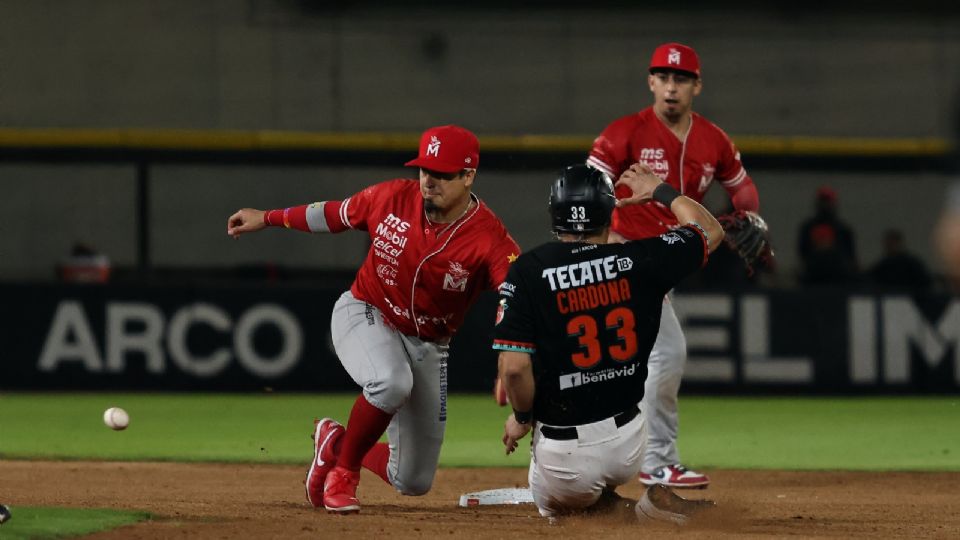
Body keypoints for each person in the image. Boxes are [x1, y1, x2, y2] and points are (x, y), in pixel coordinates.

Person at [227, 125, 520, 514]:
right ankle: (343, 475)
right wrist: (267, 217)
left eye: (442, 174)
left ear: (469, 176)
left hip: (429, 343)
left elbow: (517, 296)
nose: (428, 181)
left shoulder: (490, 238)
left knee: (412, 480)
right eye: (424, 170)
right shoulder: (392, 197)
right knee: (390, 381)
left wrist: (512, 355)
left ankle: (333, 444)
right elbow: (332, 214)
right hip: (366, 312)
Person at [494, 163, 721, 521]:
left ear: (555, 213)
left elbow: (514, 368)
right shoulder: (643, 258)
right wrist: (660, 190)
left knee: (552, 505)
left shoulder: (527, 270)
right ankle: (631, 500)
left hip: (565, 459)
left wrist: (522, 418)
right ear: (610, 211)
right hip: (630, 444)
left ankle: (625, 512)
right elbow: (709, 229)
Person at [586, 42, 761, 488]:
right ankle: (655, 461)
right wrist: (599, 239)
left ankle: (591, 452)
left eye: (681, 78)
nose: (671, 86)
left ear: (696, 86)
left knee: (621, 359)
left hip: (669, 259)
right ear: (650, 82)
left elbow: (742, 191)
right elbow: (588, 186)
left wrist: (750, 216)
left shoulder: (713, 139)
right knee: (667, 352)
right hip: (625, 252)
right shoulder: (624, 132)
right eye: (663, 77)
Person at [797, 185, 858, 286]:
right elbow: (802, 253)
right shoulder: (808, 228)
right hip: (813, 278)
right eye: (823, 201)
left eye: (828, 201)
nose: (825, 204)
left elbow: (850, 257)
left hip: (839, 279)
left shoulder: (843, 230)